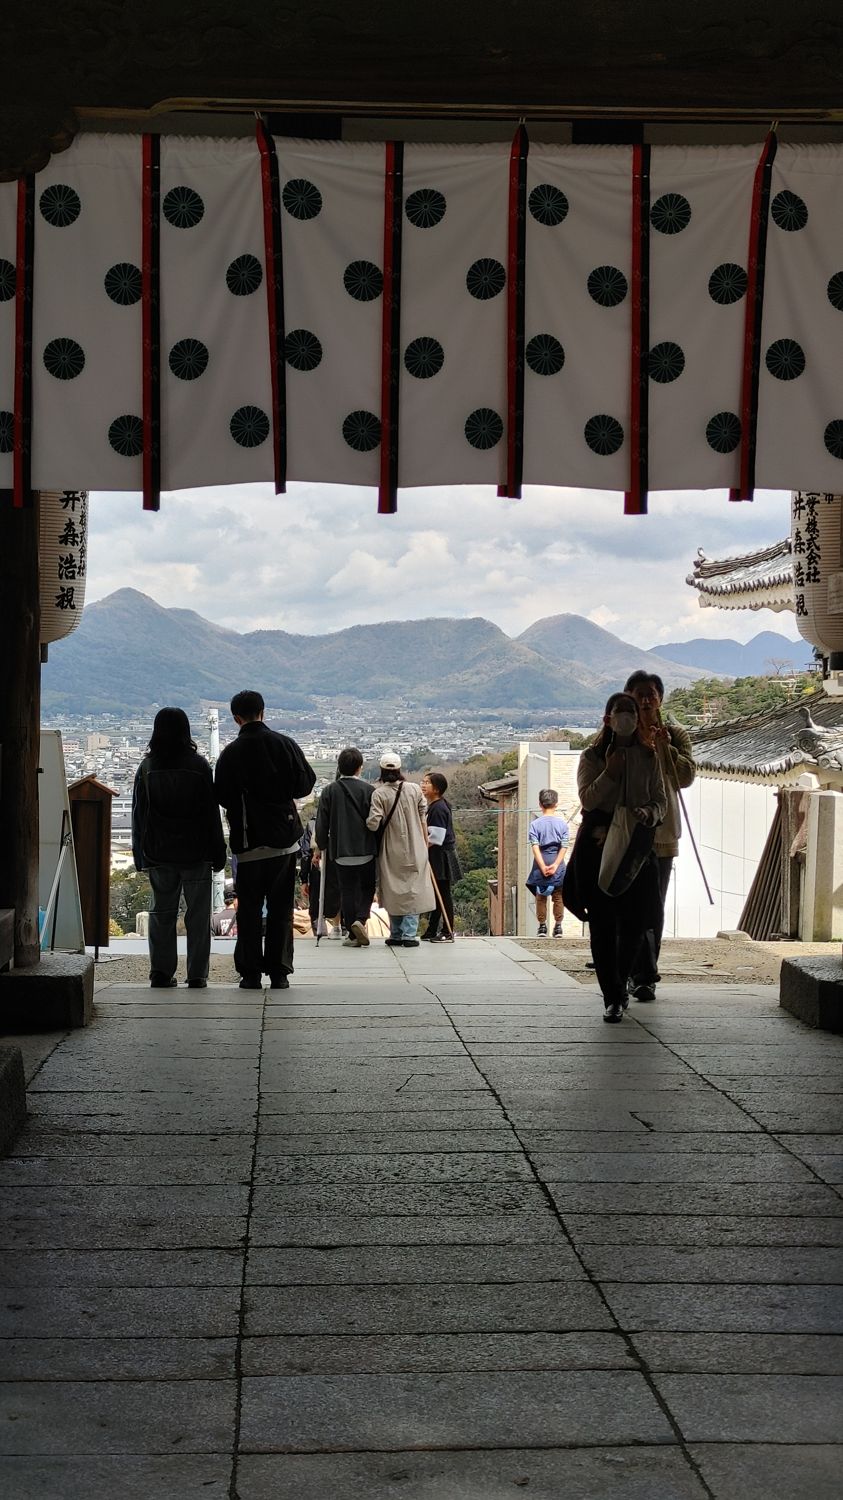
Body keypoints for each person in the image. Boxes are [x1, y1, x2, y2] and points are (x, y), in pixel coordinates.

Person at [564, 692, 666, 1023]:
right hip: (597, 849)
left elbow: (660, 801)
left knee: (636, 925)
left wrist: (648, 813)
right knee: (604, 926)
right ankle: (612, 995)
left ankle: (621, 983)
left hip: (636, 850)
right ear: (607, 718)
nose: (626, 718)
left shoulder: (649, 757)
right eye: (619, 712)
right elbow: (588, 800)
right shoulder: (592, 756)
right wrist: (610, 771)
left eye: (631, 712)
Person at [214, 689, 316, 990]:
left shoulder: (230, 754)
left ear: (236, 718)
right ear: (263, 712)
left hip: (247, 844)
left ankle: (250, 973)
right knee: (280, 909)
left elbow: (221, 795)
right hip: (283, 842)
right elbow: (305, 784)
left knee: (249, 909)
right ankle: (279, 971)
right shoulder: (284, 744)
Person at [131, 706, 227, 989]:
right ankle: (197, 974)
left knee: (162, 913)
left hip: (159, 851)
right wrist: (217, 849)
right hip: (196, 852)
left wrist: (140, 854)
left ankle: (161, 971)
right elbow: (211, 813)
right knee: (197, 915)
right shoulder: (198, 766)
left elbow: (139, 816)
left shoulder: (147, 768)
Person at [623, 670, 697, 1002]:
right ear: (628, 696)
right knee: (626, 904)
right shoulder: (619, 734)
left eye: (651, 693)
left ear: (661, 698)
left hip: (662, 834)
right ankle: (634, 971)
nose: (646, 699)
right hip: (625, 833)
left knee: (654, 906)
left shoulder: (676, 734)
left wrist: (667, 748)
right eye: (639, 693)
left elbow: (685, 778)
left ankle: (645, 976)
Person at [366, 752, 435, 947]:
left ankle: (395, 933)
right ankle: (409, 934)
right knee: (414, 889)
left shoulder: (379, 793)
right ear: (399, 770)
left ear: (381, 770)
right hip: (416, 846)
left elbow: (373, 823)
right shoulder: (413, 789)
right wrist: (424, 841)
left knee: (392, 888)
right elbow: (423, 815)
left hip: (391, 848)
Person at [314, 747, 377, 948]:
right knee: (367, 887)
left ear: (339, 767)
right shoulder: (369, 790)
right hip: (366, 848)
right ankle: (361, 919)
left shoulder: (329, 791)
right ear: (360, 768)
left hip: (340, 850)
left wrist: (320, 846)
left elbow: (322, 824)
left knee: (347, 890)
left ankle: (351, 931)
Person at [420, 771, 462, 942]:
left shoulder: (438, 808)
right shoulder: (437, 805)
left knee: (443, 894)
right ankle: (432, 929)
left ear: (436, 789)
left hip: (440, 855)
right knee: (437, 894)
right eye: (422, 782)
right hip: (440, 855)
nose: (423, 785)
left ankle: (447, 930)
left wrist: (420, 847)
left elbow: (436, 838)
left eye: (427, 783)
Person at [526, 789, 570, 937]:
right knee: (558, 896)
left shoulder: (535, 824)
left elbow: (535, 846)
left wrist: (543, 866)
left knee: (540, 897)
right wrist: (556, 865)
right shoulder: (562, 824)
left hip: (540, 863)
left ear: (540, 804)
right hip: (557, 863)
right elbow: (564, 846)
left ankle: (542, 927)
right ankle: (558, 927)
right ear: (556, 804)